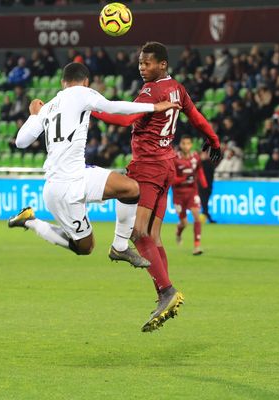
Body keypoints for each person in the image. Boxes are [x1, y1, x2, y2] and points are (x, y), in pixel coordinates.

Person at [92, 42, 222, 332]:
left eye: (147, 63)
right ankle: (165, 292)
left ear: (162, 64)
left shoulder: (152, 91)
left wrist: (92, 109)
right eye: (140, 63)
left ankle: (166, 291)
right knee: (153, 235)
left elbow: (126, 118)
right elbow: (196, 116)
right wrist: (213, 139)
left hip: (149, 167)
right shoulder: (177, 88)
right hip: (168, 167)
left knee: (138, 233)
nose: (142, 68)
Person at [7, 62, 180, 271]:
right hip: (63, 188)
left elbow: (21, 141)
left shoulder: (49, 106)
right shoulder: (83, 92)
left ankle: (120, 246)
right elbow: (114, 107)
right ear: (86, 82)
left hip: (77, 176)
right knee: (84, 247)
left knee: (131, 189)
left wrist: (35, 114)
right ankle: (31, 221)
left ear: (63, 83)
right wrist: (154, 107)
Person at [172, 135, 208, 256]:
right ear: (180, 145)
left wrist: (204, 183)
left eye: (188, 143)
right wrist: (183, 178)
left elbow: (199, 170)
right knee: (184, 223)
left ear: (191, 145)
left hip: (192, 191)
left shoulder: (195, 157)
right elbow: (171, 178)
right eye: (184, 143)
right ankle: (178, 232)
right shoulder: (175, 158)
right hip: (179, 194)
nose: (186, 146)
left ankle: (197, 246)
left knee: (197, 216)